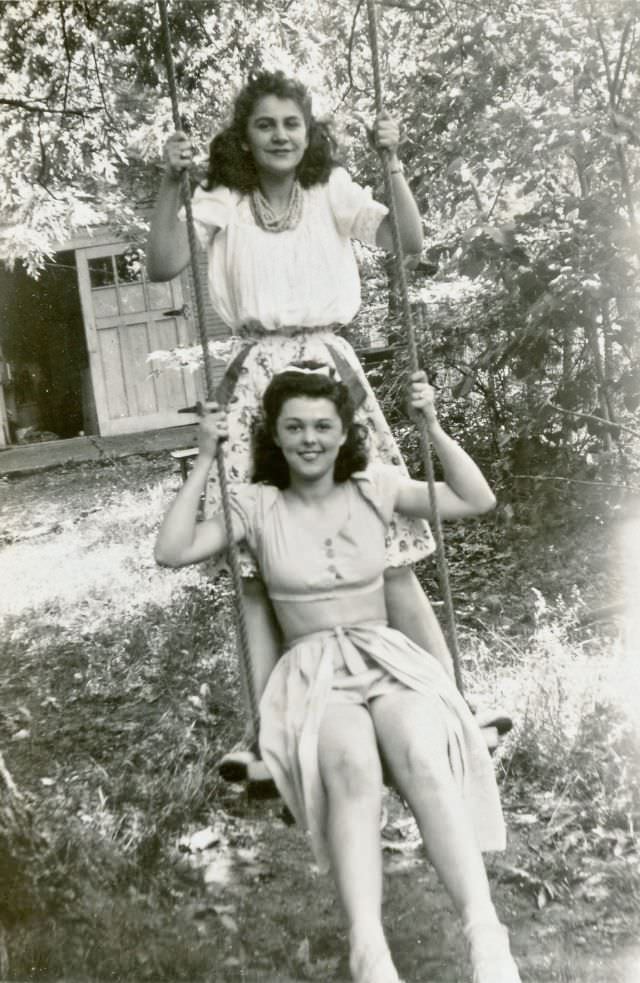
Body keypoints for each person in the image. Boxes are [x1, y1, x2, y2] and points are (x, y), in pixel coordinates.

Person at [154, 365, 521, 983]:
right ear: (273, 434)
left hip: (387, 658)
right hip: (314, 668)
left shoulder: (374, 485)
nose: (310, 439)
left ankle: (485, 933)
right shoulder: (256, 503)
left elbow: (476, 500)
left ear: (344, 431)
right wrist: (204, 459)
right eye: (294, 427)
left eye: (323, 426)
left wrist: (430, 425)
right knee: (351, 770)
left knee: (423, 758)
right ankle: (369, 950)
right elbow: (171, 550)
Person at [146, 70, 452, 777]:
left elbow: (408, 241)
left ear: (308, 132)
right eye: (265, 125)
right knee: (257, 562)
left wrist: (394, 160)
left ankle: (451, 702)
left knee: (389, 543)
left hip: (331, 376)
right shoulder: (222, 197)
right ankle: (264, 738)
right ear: (244, 138)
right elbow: (164, 266)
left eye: (292, 123)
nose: (281, 135)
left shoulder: (331, 191)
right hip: (258, 383)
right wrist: (170, 182)